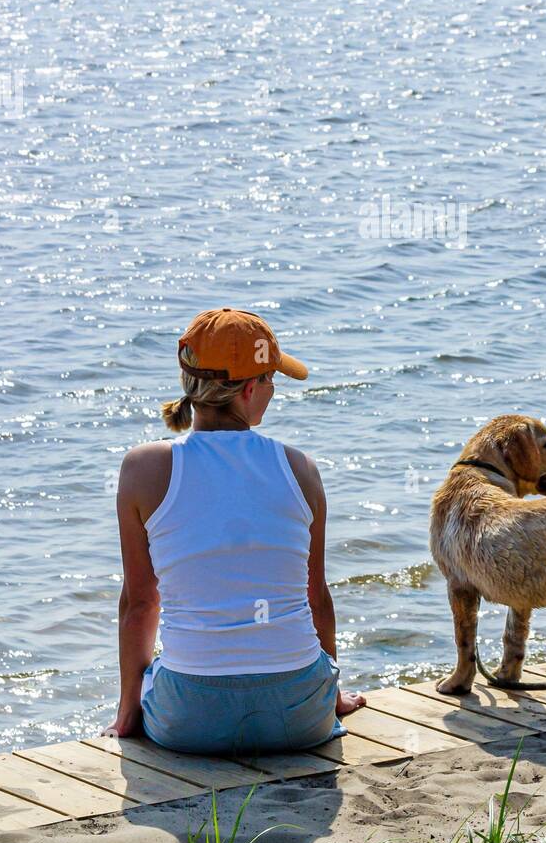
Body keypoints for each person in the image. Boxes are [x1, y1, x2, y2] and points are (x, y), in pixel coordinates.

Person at [103, 307, 366, 756]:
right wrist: (333, 699)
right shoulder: (301, 469)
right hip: (301, 715)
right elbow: (315, 596)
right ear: (247, 390)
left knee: (171, 670)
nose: (272, 389)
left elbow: (141, 602)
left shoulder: (142, 468)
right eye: (269, 380)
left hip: (190, 722)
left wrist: (130, 710)